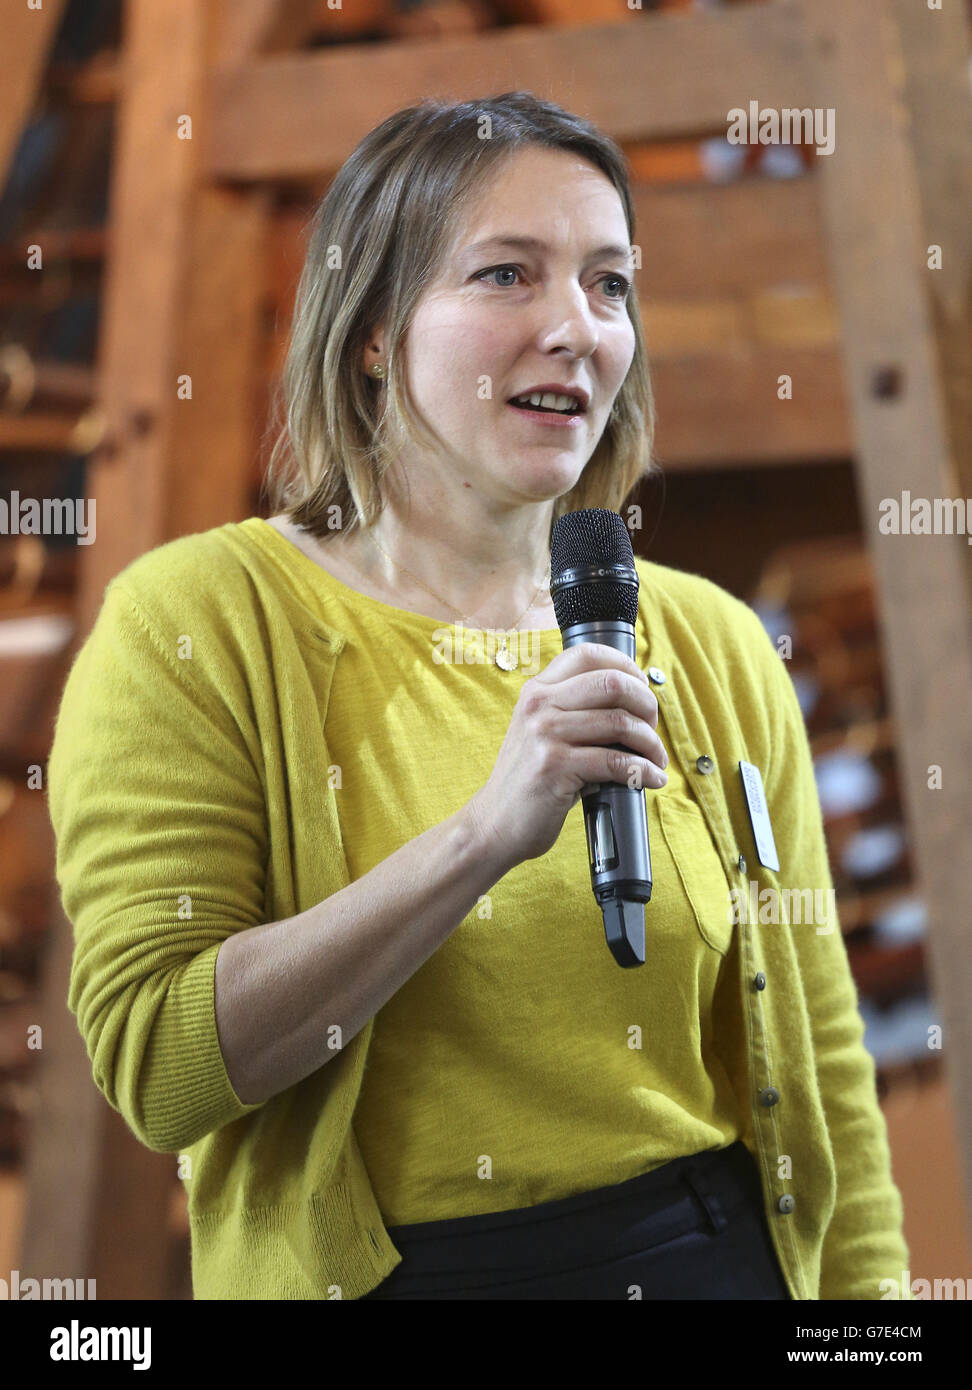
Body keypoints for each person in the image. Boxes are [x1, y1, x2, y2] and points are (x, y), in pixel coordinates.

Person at [47, 92, 910, 1301]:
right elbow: (158, 1066)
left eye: (610, 285)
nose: (578, 328)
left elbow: (824, 1067)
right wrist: (485, 836)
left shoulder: (709, 640)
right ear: (371, 331)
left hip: (710, 1259)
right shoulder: (198, 625)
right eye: (508, 274)